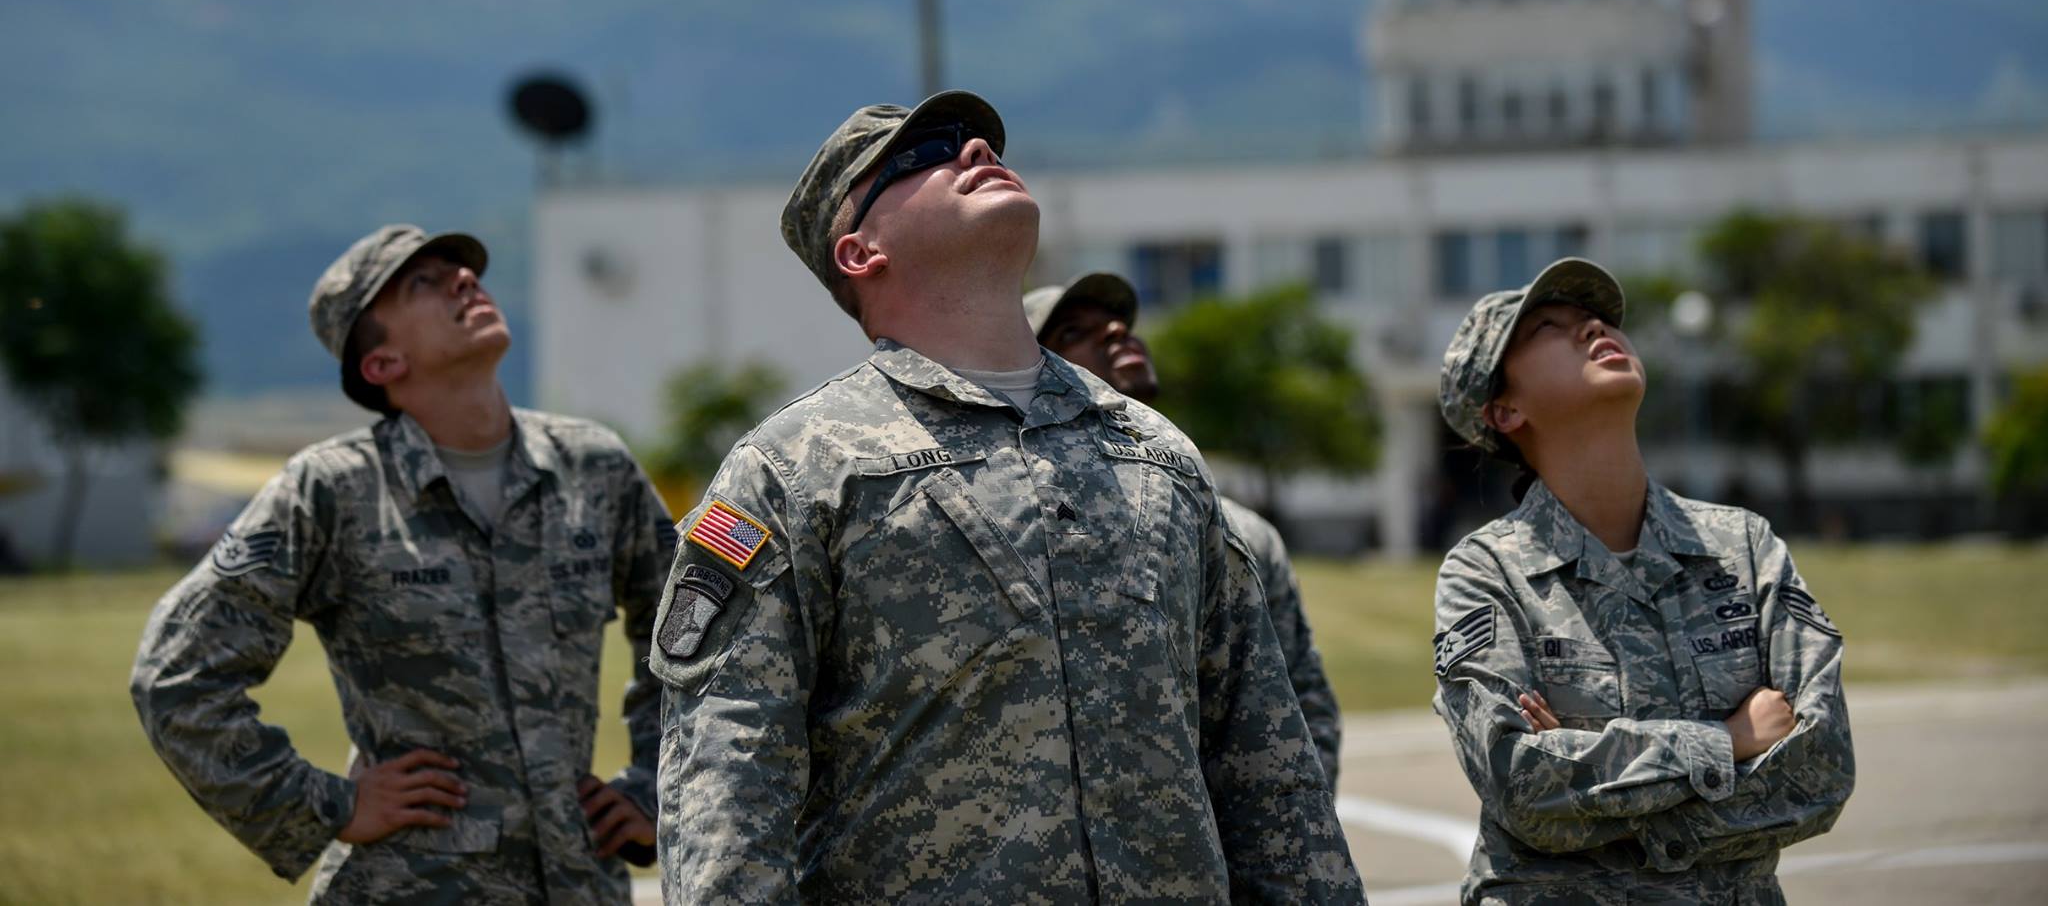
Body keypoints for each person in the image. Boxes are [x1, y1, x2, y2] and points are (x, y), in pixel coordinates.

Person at [650, 91, 1366, 903]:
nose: (977, 150)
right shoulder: (794, 468)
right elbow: (730, 784)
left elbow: (1268, 767)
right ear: (859, 252)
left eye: (981, 139)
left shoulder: (1157, 455)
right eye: (924, 156)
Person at [132, 225, 673, 905]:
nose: (465, 281)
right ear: (381, 363)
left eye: (464, 271)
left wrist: (657, 788)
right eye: (424, 281)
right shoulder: (332, 492)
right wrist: (327, 804)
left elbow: (694, 637)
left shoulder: (593, 468)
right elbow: (176, 675)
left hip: (579, 883)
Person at [1430, 257, 1854, 904]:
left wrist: (1599, 800)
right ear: (1505, 410)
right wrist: (1728, 741)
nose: (1593, 327)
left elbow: (1822, 769)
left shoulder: (1741, 545)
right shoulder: (1486, 572)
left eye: (1596, 317)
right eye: (1549, 325)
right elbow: (1521, 785)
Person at [1025, 270, 1344, 792]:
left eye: (1117, 322)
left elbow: (1300, 699)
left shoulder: (1243, 531)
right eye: (1072, 333)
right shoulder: (1034, 523)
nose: (1113, 331)